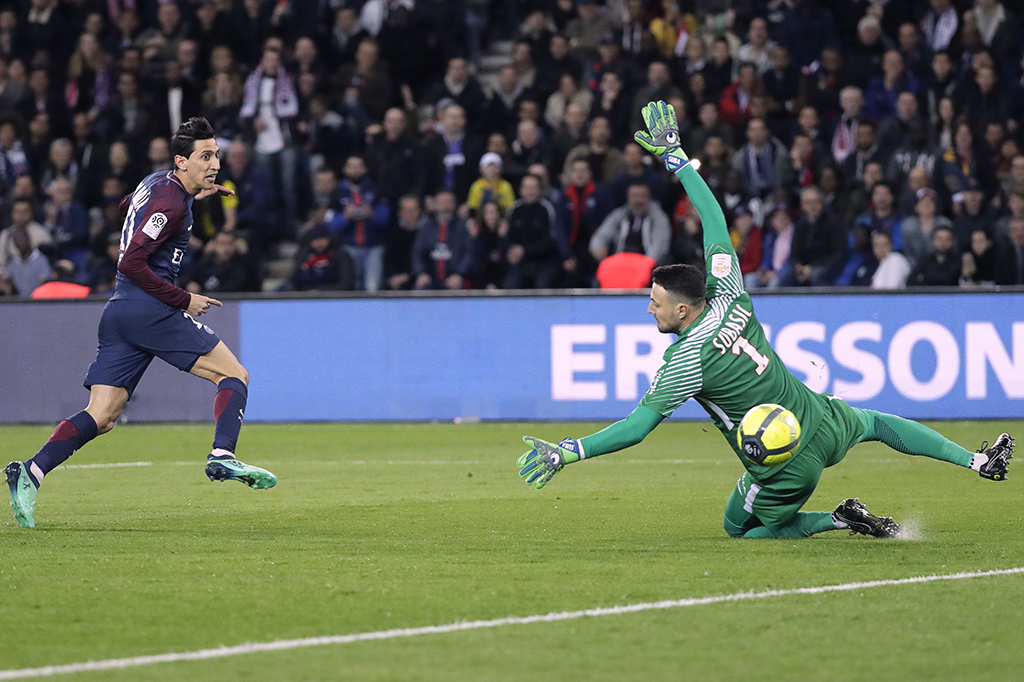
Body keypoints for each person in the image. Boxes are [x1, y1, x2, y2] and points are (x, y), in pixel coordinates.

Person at [516, 101, 1014, 540]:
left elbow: (636, 428)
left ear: (683, 309)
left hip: (784, 462)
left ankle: (839, 519)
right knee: (879, 422)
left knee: (741, 529)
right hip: (822, 416)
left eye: (657, 302)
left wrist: (569, 451)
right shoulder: (729, 291)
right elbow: (713, 220)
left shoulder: (684, 361)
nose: (650, 308)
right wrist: (677, 158)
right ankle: (977, 460)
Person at [5, 118, 276, 530]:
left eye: (217, 154)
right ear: (181, 161)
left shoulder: (158, 183)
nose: (215, 163)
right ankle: (222, 454)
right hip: (153, 310)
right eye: (206, 156)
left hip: (120, 313)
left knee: (103, 413)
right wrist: (184, 299)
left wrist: (195, 196)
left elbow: (127, 206)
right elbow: (131, 261)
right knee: (234, 375)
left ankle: (31, 472)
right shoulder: (169, 205)